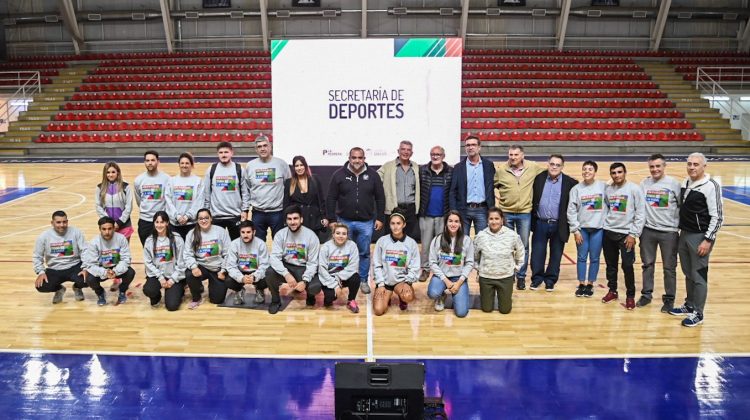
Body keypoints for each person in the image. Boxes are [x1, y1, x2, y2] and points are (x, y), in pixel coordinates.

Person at [670, 153, 723, 327]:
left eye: (696, 164)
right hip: (684, 234)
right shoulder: (685, 182)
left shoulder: (710, 186)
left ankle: (698, 313)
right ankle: (689, 304)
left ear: (704, 166)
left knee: (699, 275)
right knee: (688, 272)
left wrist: (708, 240)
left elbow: (718, 217)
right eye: (689, 164)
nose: (692, 167)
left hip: (700, 237)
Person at [326, 147, 385, 295]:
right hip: (344, 221)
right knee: (344, 252)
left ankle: (363, 280)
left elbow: (380, 198)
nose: (357, 161)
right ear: (349, 158)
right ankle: (344, 279)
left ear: (364, 158)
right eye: (354, 158)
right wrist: (332, 219)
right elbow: (331, 198)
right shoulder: (338, 175)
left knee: (364, 253)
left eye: (360, 158)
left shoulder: (373, 175)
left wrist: (380, 218)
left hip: (366, 222)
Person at [494, 144, 545, 290]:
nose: (513, 157)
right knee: (507, 245)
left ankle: (521, 276)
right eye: (511, 155)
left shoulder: (533, 167)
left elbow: (551, 171)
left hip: (524, 213)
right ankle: (509, 274)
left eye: (516, 155)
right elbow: (493, 184)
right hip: (506, 213)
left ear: (522, 155)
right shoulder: (502, 169)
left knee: (523, 246)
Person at [637, 153, 682, 312]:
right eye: (652, 166)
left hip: (668, 233)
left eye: (658, 166)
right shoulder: (644, 183)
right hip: (648, 231)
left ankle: (669, 299)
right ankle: (646, 294)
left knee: (669, 268)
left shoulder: (674, 184)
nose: (655, 169)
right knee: (647, 265)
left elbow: (681, 206)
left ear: (664, 166)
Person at [601, 162, 646, 310]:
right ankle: (612, 291)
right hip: (609, 232)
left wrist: (633, 234)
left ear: (625, 173)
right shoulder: (608, 190)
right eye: (613, 173)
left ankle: (630, 296)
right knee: (611, 265)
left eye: (619, 172)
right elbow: (607, 207)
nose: (616, 175)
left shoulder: (634, 189)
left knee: (627, 266)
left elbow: (640, 213)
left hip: (626, 235)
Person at [529, 154, 577, 291]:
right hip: (540, 222)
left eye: (558, 165)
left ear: (562, 167)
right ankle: (537, 278)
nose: (554, 167)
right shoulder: (538, 178)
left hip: (559, 224)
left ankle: (550, 280)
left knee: (556, 254)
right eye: (552, 164)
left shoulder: (570, 183)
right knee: (537, 253)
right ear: (547, 164)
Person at [266, 205, 321, 314]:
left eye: (295, 218)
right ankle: (276, 301)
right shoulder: (280, 234)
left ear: (301, 219)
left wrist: (305, 281)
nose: (292, 222)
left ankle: (310, 296)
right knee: (269, 272)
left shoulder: (311, 236)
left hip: (303, 267)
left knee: (315, 287)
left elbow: (313, 262)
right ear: (286, 221)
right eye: (289, 219)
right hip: (287, 266)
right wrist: (286, 274)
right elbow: (275, 258)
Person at [567, 160, 608, 298]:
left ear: (595, 172)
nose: (587, 172)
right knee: (582, 257)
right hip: (582, 229)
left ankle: (590, 284)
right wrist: (575, 230)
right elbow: (571, 211)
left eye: (590, 169)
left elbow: (610, 204)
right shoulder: (576, 189)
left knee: (595, 258)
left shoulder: (603, 187)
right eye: (584, 169)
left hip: (598, 229)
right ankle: (581, 284)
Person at [473, 207, 525, 314]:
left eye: (497, 218)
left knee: (505, 310)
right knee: (486, 309)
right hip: (486, 278)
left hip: (505, 277)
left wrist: (515, 268)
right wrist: (480, 269)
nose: (494, 221)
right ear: (487, 220)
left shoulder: (512, 235)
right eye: (491, 219)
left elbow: (521, 253)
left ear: (502, 220)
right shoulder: (481, 236)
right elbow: (474, 256)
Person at [242, 134, 291, 242]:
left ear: (270, 147)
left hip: (278, 212)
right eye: (259, 147)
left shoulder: (281, 164)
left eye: (265, 145)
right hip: (257, 213)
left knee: (280, 243)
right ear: (256, 149)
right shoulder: (250, 166)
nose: (263, 148)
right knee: (258, 245)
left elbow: (289, 187)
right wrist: (245, 210)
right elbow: (247, 190)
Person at [427, 211, 474, 318]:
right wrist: (446, 281)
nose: (453, 224)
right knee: (433, 293)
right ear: (446, 223)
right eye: (450, 221)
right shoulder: (437, 240)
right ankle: (441, 295)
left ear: (460, 223)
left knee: (461, 313)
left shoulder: (466, 240)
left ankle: (457, 294)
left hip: (458, 278)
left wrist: (459, 283)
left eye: (456, 221)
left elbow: (470, 263)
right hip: (442, 277)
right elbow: (432, 263)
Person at [33, 210, 87, 304]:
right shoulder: (44, 236)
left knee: (90, 277)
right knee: (41, 286)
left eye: (64, 222)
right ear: (52, 223)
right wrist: (41, 272)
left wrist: (86, 267)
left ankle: (77, 287)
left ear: (67, 221)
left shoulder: (76, 232)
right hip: (54, 269)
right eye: (58, 222)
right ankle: (59, 290)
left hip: (75, 266)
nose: (62, 225)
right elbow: (37, 256)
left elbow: (85, 251)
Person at [372, 209, 420, 316]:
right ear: (389, 225)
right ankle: (387, 297)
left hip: (401, 282)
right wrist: (380, 284)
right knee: (379, 311)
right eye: (393, 223)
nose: (395, 226)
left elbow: (415, 267)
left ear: (404, 225)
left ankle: (402, 298)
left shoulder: (411, 243)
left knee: (407, 296)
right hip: (385, 282)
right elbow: (376, 265)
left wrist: (408, 282)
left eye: (398, 223)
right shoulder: (382, 241)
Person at [183, 208, 232, 309]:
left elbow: (228, 254)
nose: (203, 220)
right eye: (200, 218)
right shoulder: (191, 234)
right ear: (197, 220)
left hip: (217, 268)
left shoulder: (221, 231)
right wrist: (194, 267)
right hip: (202, 267)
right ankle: (197, 297)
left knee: (217, 300)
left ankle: (213, 285)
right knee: (189, 273)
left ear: (211, 219)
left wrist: (223, 270)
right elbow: (188, 254)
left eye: (206, 218)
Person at [83, 216, 136, 306]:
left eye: (109, 229)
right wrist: (105, 272)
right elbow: (91, 264)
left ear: (114, 228)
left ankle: (122, 291)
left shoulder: (121, 238)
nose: (107, 232)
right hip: (102, 268)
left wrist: (115, 271)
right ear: (100, 229)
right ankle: (100, 293)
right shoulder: (94, 242)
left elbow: (126, 259)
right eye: (104, 229)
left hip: (116, 267)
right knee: (89, 278)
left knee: (130, 273)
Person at [418, 145, 453, 282]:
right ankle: (425, 270)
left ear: (443, 156)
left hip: (444, 215)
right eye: (433, 154)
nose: (435, 156)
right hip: (426, 215)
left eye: (438, 154)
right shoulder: (423, 171)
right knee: (426, 245)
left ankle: (440, 270)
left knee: (442, 245)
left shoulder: (451, 171)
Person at [449, 135, 495, 235]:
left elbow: (492, 187)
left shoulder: (489, 165)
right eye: (468, 145)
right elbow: (453, 191)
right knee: (462, 241)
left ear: (479, 147)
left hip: (482, 209)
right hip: (463, 210)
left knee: (482, 241)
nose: (470, 147)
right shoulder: (458, 167)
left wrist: (492, 208)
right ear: (465, 148)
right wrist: (453, 211)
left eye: (473, 145)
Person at [142, 211, 186, 311]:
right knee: (149, 290)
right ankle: (156, 297)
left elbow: (182, 262)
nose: (159, 225)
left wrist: (172, 280)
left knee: (172, 306)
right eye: (157, 222)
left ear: (167, 223)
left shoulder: (177, 239)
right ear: (154, 223)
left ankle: (179, 290)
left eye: (162, 222)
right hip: (158, 276)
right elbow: (148, 262)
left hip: (173, 276)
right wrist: (161, 277)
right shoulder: (149, 241)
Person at [378, 140, 421, 241]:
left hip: (411, 210)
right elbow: (374, 179)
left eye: (408, 150)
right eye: (403, 149)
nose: (405, 152)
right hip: (394, 209)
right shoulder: (388, 166)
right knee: (391, 239)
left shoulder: (416, 167)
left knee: (407, 240)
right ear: (398, 151)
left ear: (412, 153)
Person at [203, 141, 245, 240]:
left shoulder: (239, 169)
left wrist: (245, 210)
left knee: (236, 246)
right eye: (221, 152)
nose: (223, 155)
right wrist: (207, 212)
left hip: (235, 215)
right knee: (217, 247)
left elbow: (245, 192)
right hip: (216, 216)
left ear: (231, 153)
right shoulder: (211, 169)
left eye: (226, 152)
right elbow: (207, 193)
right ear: (218, 154)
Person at [284, 155, 329, 243]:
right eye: (296, 166)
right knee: (300, 248)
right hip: (298, 221)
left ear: (305, 166)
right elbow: (286, 204)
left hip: (314, 220)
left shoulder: (315, 179)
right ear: (294, 168)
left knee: (314, 246)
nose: (299, 168)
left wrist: (324, 217)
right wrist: (287, 221)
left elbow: (321, 200)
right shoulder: (289, 183)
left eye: (301, 165)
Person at [318, 223, 361, 313]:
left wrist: (339, 278)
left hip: (344, 276)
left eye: (344, 234)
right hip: (329, 278)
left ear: (347, 235)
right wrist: (335, 285)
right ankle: (328, 298)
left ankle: (351, 300)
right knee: (329, 299)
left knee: (356, 278)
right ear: (333, 235)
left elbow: (353, 266)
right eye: (338, 233)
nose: (341, 236)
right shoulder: (326, 247)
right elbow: (322, 269)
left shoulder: (352, 245)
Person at [224, 220, 270, 305]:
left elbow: (265, 265)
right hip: (241, 271)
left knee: (269, 276)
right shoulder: (234, 244)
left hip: (256, 271)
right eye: (243, 232)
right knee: (228, 280)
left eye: (248, 232)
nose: (245, 235)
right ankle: (239, 290)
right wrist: (241, 278)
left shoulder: (261, 244)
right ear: (240, 232)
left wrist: (255, 276)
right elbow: (231, 266)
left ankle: (259, 289)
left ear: (254, 232)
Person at [134, 150, 171, 246]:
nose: (150, 163)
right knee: (147, 250)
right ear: (144, 162)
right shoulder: (138, 180)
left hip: (161, 221)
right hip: (145, 221)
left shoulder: (167, 179)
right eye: (147, 160)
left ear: (158, 162)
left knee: (163, 250)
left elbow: (169, 200)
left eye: (152, 160)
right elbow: (139, 200)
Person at [165, 152, 204, 240]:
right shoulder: (172, 181)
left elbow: (199, 201)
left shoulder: (198, 181)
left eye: (187, 163)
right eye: (182, 163)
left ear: (192, 165)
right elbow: (168, 201)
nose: (184, 165)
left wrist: (187, 216)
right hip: (175, 224)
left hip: (192, 224)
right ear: (179, 165)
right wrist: (177, 216)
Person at [95, 161, 134, 242]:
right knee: (111, 253)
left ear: (118, 173)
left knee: (123, 253)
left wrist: (119, 222)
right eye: (108, 172)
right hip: (107, 227)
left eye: (113, 172)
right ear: (105, 174)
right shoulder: (100, 187)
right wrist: (109, 222)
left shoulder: (125, 187)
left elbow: (129, 207)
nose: (111, 174)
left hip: (124, 225)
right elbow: (98, 206)